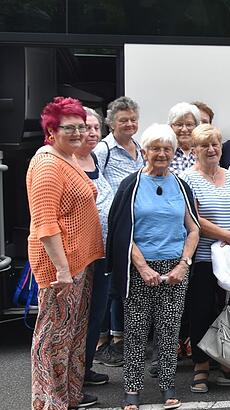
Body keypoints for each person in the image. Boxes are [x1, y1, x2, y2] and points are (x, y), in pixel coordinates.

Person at [107, 123, 200, 410]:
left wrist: (184, 264)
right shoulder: (130, 185)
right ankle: (132, 388)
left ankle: (167, 384)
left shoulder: (182, 185)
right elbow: (121, 231)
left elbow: (193, 229)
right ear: (145, 151)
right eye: (156, 148)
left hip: (175, 269)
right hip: (139, 269)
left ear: (174, 153)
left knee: (169, 331)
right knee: (135, 330)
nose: (162, 154)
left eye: (167, 149)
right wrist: (142, 266)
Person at [27, 97, 104, 410]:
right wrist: (61, 270)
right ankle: (46, 404)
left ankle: (71, 392)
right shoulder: (48, 164)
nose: (78, 132)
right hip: (60, 266)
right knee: (53, 335)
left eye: (81, 126)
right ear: (51, 130)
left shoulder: (69, 157)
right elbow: (45, 224)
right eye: (69, 127)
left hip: (78, 260)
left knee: (73, 333)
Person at [183, 124, 230, 392]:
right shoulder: (187, 179)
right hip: (204, 258)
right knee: (201, 312)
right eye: (204, 145)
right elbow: (194, 219)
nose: (211, 149)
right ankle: (201, 366)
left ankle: (229, 366)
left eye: (215, 144)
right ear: (194, 151)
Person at [92, 96, 144, 367]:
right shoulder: (104, 150)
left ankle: (120, 339)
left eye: (133, 119)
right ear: (111, 123)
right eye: (123, 120)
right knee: (113, 284)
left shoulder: (140, 147)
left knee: (127, 283)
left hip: (136, 227)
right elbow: (95, 186)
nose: (129, 124)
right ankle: (107, 342)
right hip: (112, 227)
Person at [74, 107, 114, 388]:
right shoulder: (68, 161)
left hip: (102, 252)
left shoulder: (94, 159)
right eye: (86, 127)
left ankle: (85, 367)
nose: (91, 133)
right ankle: (72, 374)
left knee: (96, 312)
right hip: (80, 254)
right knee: (76, 316)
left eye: (96, 128)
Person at [167, 102, 201, 174]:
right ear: (171, 127)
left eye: (189, 124)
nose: (184, 129)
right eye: (179, 124)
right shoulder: (164, 154)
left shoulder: (204, 152)